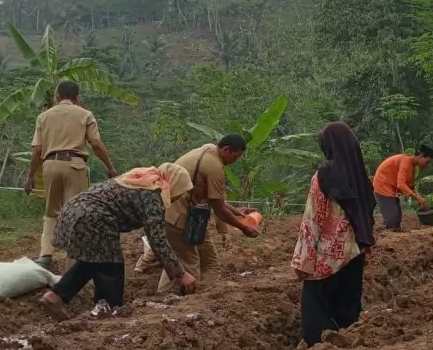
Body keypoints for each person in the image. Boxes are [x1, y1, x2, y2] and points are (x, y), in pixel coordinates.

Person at [38, 163, 197, 320]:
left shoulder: (140, 179)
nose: (176, 198)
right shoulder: (153, 195)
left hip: (73, 210)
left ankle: (56, 296)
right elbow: (157, 240)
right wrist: (181, 274)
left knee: (93, 260)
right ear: (174, 184)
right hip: (94, 218)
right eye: (179, 193)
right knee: (111, 266)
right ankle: (108, 311)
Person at [292, 122, 376, 346]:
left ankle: (318, 349)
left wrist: (304, 259)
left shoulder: (324, 175)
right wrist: (366, 244)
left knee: (316, 303)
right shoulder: (362, 178)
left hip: (328, 255)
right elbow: (367, 213)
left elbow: (313, 219)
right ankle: (347, 343)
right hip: (355, 251)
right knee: (348, 304)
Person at [25, 80, 117, 270]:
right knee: (76, 214)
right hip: (75, 166)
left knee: (51, 212)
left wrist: (31, 175)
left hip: (50, 165)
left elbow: (37, 150)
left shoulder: (44, 116)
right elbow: (96, 145)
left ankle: (45, 255)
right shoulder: (85, 115)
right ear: (77, 97)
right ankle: (72, 264)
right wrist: (110, 168)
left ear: (57, 96)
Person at [150, 135, 260, 293]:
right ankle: (175, 303)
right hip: (178, 218)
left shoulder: (207, 150)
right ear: (226, 149)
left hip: (183, 215)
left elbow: (215, 200)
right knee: (189, 265)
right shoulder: (215, 167)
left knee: (209, 261)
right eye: (234, 157)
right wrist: (244, 228)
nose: (234, 161)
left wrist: (239, 214)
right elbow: (219, 209)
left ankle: (209, 296)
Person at [372, 145, 433, 230]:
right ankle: (385, 235)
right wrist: (417, 198)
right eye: (427, 162)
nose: (428, 165)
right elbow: (401, 184)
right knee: (392, 221)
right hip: (382, 186)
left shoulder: (413, 168)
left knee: (397, 218)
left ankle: (392, 231)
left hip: (392, 189)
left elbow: (410, 187)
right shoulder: (405, 161)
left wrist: (420, 199)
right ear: (420, 156)